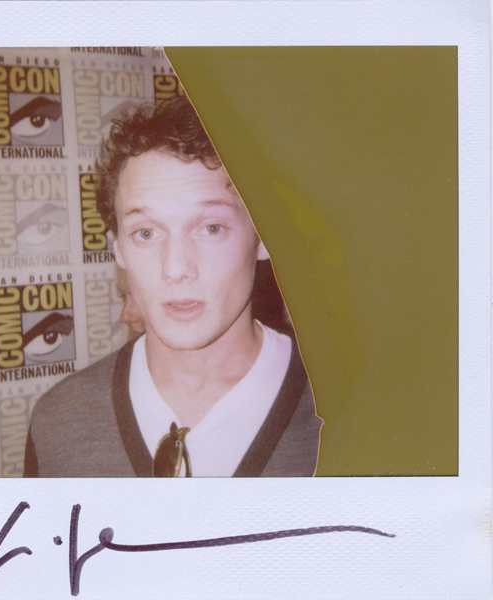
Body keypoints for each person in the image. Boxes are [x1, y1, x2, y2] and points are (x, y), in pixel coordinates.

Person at [24, 96, 323, 477]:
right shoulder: (59, 421)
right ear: (119, 250)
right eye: (146, 233)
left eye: (211, 228)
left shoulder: (345, 411)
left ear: (264, 236)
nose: (176, 268)